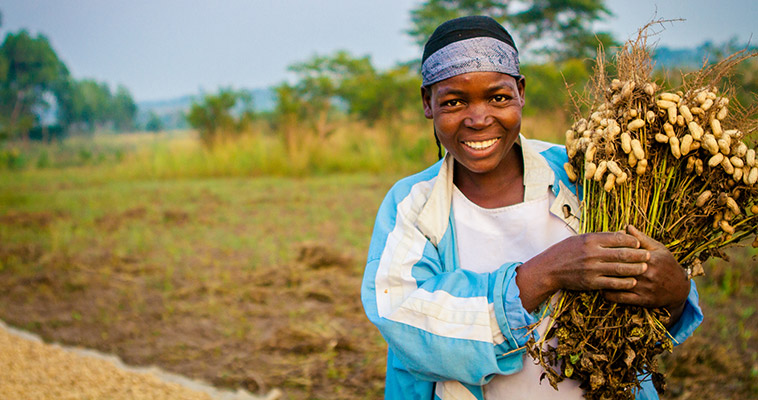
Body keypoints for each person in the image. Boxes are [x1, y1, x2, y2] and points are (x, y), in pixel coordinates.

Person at [361, 15, 703, 400]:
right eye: (454, 102)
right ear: (428, 103)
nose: (479, 119)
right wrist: (546, 272)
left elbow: (647, 324)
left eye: (498, 97)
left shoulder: (589, 174)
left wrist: (675, 292)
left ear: (521, 92)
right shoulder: (413, 204)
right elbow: (405, 320)